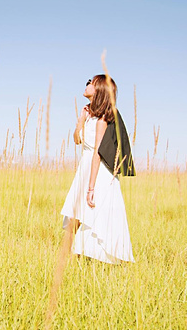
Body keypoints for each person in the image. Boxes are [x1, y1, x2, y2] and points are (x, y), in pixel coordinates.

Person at [60, 75, 134, 264]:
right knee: (74, 215)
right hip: (84, 170)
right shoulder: (89, 116)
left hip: (97, 173)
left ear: (99, 90)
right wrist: (81, 120)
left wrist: (91, 187)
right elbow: (78, 140)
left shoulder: (103, 119)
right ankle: (69, 260)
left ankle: (88, 261)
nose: (86, 85)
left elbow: (97, 154)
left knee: (91, 217)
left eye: (90, 83)